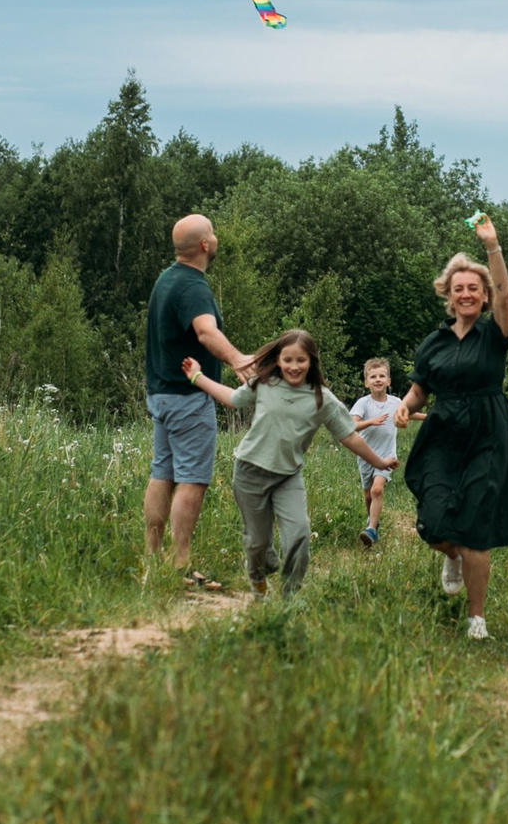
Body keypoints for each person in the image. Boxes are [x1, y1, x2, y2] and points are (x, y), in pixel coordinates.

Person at [394, 215, 508, 640]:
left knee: (475, 526)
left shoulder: (495, 334)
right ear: (449, 297)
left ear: (485, 296)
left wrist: (493, 247)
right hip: (442, 434)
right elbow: (420, 391)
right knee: (433, 522)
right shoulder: (433, 343)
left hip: (489, 433)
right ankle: (450, 555)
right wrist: (404, 405)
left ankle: (477, 618)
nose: (467, 293)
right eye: (460, 289)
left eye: (475, 288)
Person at [183, 330, 391, 597]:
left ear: (311, 362)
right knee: (258, 544)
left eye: (301, 360)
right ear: (278, 360)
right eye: (288, 360)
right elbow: (232, 400)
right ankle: (257, 573)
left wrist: (380, 462)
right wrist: (197, 377)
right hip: (249, 473)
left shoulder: (322, 398)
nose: (294, 367)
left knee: (299, 536)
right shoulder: (265, 383)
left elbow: (349, 437)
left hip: (287, 478)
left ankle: (290, 598)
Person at [143, 213, 252, 583]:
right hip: (188, 398)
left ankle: (154, 559)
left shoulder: (166, 279)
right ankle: (180, 564)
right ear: (204, 245)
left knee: (163, 474)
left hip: (161, 393)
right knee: (192, 479)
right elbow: (206, 332)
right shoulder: (193, 286)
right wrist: (237, 358)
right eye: (213, 234)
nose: (216, 238)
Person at [348, 357, 400, 548]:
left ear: (389, 381)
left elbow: (408, 413)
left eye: (382, 376)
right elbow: (351, 426)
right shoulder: (363, 403)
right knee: (368, 495)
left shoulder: (396, 402)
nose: (378, 379)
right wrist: (371, 421)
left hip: (387, 455)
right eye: (373, 376)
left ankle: (370, 530)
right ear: (366, 382)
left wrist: (431, 417)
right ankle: (374, 522)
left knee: (377, 489)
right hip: (365, 456)